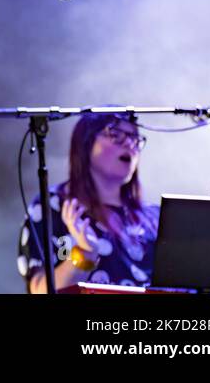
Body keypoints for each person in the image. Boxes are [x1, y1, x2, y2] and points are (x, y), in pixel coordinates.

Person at [18, 114, 160, 292]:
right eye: (115, 134)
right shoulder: (53, 206)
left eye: (134, 137)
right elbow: (39, 290)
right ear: (85, 143)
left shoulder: (155, 217)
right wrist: (85, 253)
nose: (129, 144)